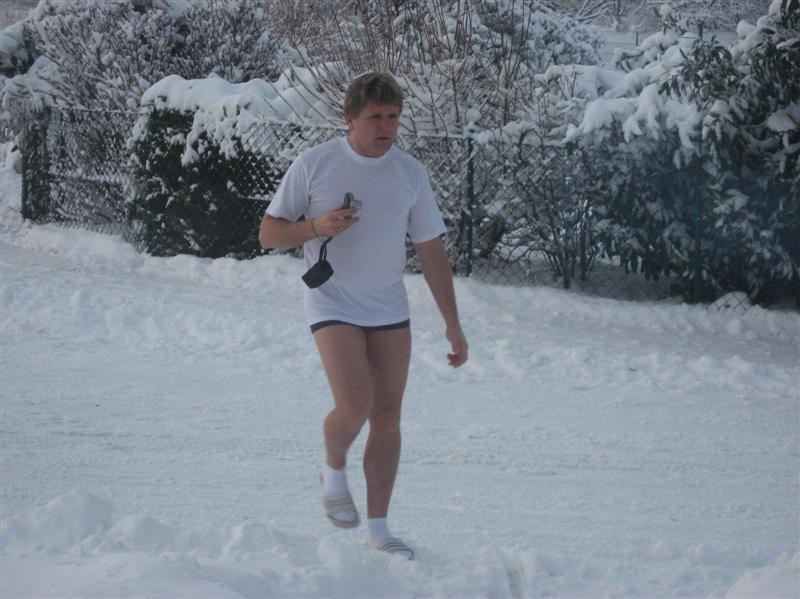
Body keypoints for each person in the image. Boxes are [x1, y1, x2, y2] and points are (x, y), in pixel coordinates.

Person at [258, 71, 468, 560]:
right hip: (332, 301)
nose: (386, 127)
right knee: (355, 405)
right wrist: (315, 226)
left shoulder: (410, 173)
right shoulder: (315, 164)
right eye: (375, 117)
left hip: (388, 305)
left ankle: (379, 529)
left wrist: (453, 323)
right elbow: (268, 234)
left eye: (393, 117)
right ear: (349, 119)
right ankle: (333, 465)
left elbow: (432, 252)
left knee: (387, 417)